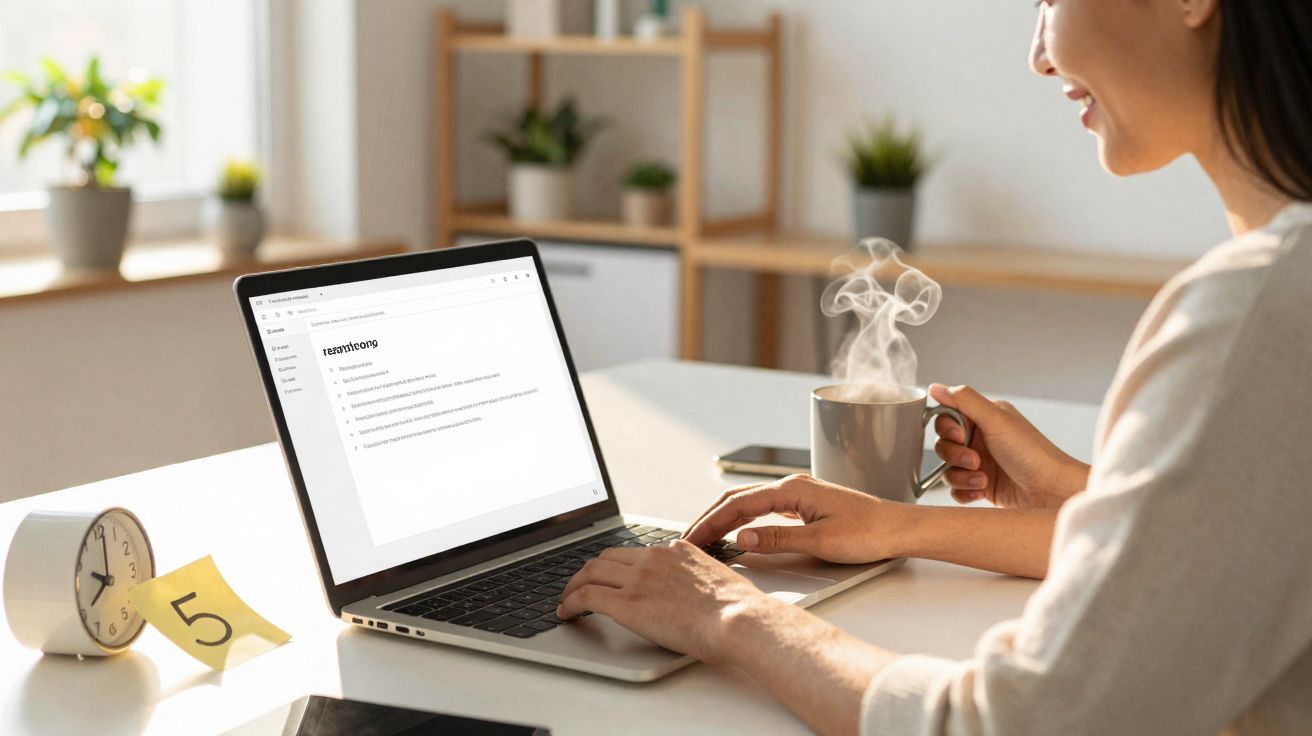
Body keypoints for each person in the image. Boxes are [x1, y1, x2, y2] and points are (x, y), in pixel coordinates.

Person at [555, 1, 1312, 733]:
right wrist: (1046, 502)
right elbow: (1229, 546)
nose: (1039, 54)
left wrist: (732, 614)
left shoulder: (1261, 312)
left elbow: (1015, 725)